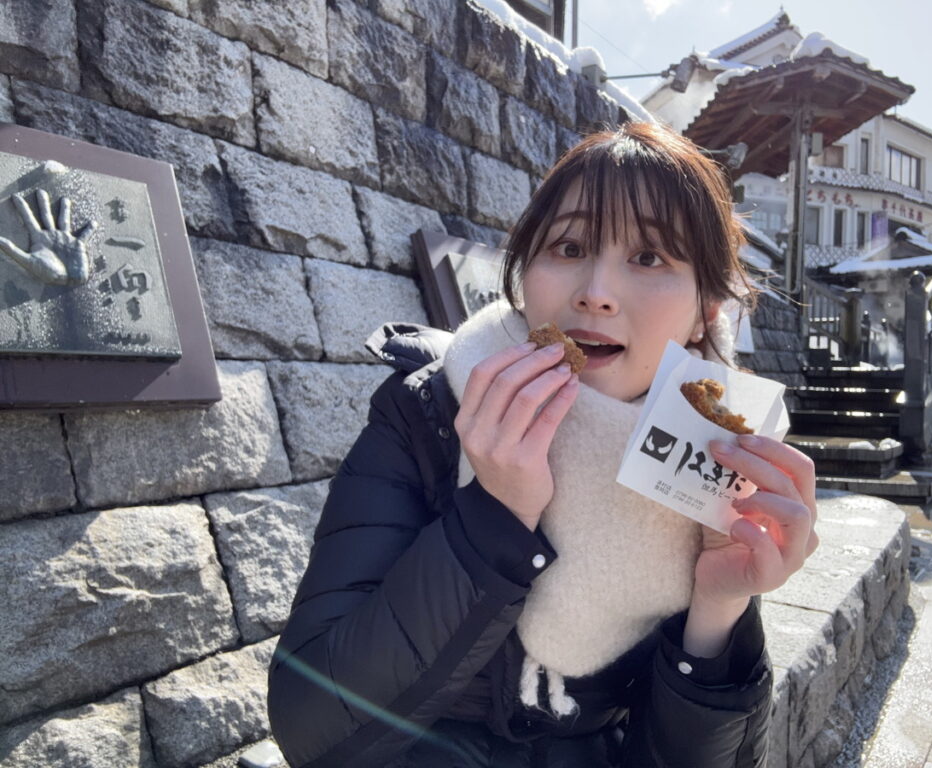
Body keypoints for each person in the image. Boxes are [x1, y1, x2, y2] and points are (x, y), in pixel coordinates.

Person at [267, 121, 819, 768]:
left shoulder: (712, 473)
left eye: (650, 257)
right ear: (526, 271)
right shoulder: (430, 412)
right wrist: (493, 520)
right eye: (568, 246)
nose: (595, 293)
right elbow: (308, 728)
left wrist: (719, 606)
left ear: (707, 310)